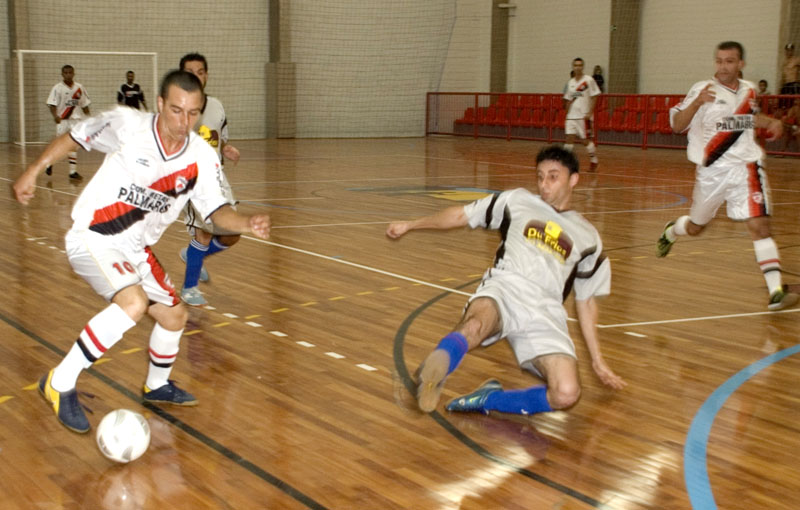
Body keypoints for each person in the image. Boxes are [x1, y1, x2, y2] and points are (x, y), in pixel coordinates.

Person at [12, 70, 271, 433]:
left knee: (173, 316)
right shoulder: (127, 124)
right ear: (161, 104)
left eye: (193, 113)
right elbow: (74, 137)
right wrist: (33, 171)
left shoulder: (200, 157)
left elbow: (216, 211)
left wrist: (245, 223)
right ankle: (59, 382)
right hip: (94, 236)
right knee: (132, 304)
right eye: (177, 110)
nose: (184, 122)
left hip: (136, 248)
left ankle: (156, 385)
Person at [386, 145, 625, 418]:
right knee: (475, 325)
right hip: (506, 286)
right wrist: (411, 224)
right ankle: (434, 372)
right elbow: (460, 216)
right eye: (540, 176)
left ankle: (489, 399)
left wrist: (597, 358)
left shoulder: (589, 236)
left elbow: (586, 301)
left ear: (573, 179)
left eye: (553, 177)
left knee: (567, 392)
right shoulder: (516, 200)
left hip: (546, 310)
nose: (544, 185)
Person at [656, 41, 795, 311]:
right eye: (719, 61)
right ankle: (672, 231)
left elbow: (751, 119)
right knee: (697, 227)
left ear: (740, 64)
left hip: (746, 168)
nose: (723, 66)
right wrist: (697, 103)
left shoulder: (750, 90)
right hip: (712, 172)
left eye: (729, 61)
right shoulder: (702, 90)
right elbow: (676, 125)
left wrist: (773, 122)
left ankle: (775, 290)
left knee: (760, 225)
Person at [177, 53, 241, 306]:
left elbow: (218, 135)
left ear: (206, 75)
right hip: (192, 180)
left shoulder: (216, 105)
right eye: (189, 71)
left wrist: (226, 148)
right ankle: (189, 288)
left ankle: (193, 255)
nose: (195, 76)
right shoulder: (175, 108)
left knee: (232, 233)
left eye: (200, 71)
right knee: (204, 232)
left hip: (217, 177)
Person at [45, 64, 91, 180]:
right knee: (58, 145)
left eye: (70, 72)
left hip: (75, 120)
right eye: (65, 73)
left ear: (74, 73)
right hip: (63, 120)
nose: (68, 75)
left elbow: (84, 105)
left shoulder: (79, 88)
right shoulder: (57, 88)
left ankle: (72, 172)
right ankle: (49, 164)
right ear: (62, 74)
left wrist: (89, 118)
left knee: (73, 145)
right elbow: (52, 104)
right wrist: (55, 116)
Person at [563, 58, 600, 171]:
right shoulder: (570, 83)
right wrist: (567, 111)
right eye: (575, 65)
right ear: (573, 67)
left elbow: (595, 96)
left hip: (583, 116)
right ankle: (565, 163)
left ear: (583, 67)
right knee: (569, 138)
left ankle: (594, 160)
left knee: (585, 141)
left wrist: (590, 112)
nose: (577, 67)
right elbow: (568, 99)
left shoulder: (588, 80)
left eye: (580, 65)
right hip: (571, 116)